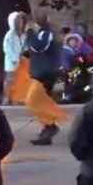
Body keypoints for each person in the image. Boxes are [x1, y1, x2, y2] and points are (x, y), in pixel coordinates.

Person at [26, 12, 66, 146]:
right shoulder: (42, 33)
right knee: (39, 101)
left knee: (34, 100)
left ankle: (50, 126)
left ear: (37, 23)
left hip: (45, 74)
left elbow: (38, 47)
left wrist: (30, 33)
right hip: (42, 72)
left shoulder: (46, 33)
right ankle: (47, 129)